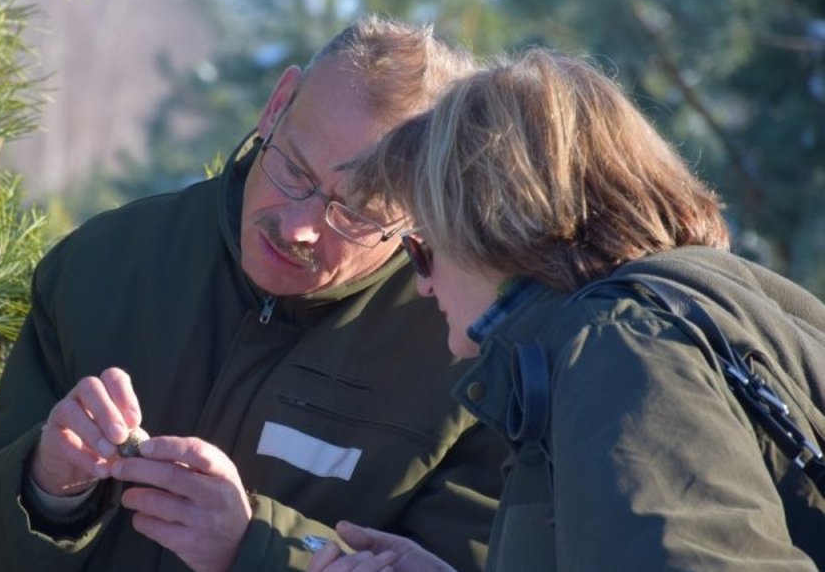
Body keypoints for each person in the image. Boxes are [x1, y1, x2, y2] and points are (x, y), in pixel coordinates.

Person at [0, 15, 508, 572]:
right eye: (294, 171)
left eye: (354, 213)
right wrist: (44, 486)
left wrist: (254, 549)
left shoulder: (465, 358)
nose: (298, 227)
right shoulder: (108, 264)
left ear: (421, 218)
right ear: (276, 106)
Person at [309, 47, 825, 572]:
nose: (421, 286)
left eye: (423, 250)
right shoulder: (687, 310)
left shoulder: (621, 349)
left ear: (488, 230)